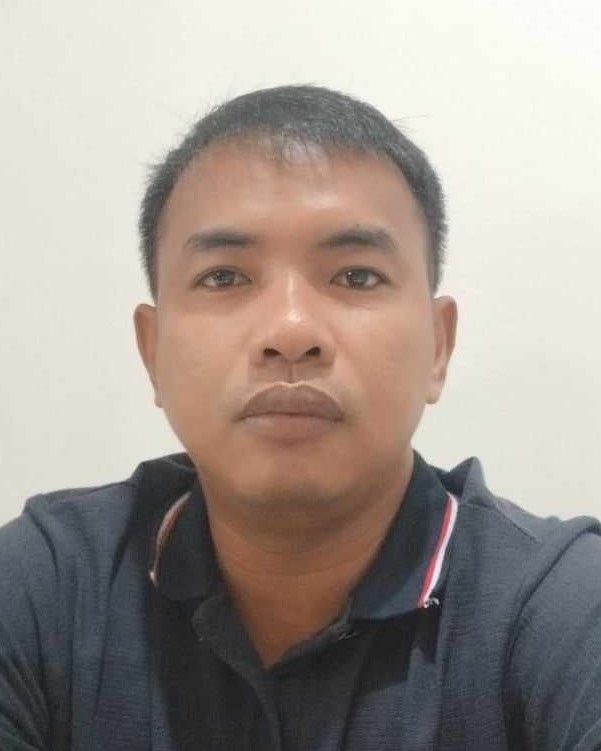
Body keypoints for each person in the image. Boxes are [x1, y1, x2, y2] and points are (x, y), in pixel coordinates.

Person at [1, 85, 600, 751]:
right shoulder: (41, 587)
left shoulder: (564, 607)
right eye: (224, 277)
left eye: (356, 276)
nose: (290, 331)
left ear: (438, 345)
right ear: (152, 352)